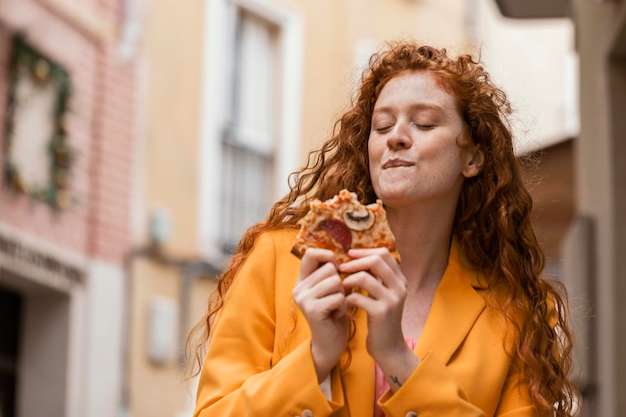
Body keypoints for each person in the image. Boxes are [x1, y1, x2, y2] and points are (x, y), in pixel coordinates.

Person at [187, 41, 579, 416]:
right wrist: (316, 358)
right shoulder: (279, 261)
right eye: (382, 125)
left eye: (424, 123)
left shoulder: (514, 309)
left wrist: (396, 358)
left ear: (473, 156)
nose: (396, 137)